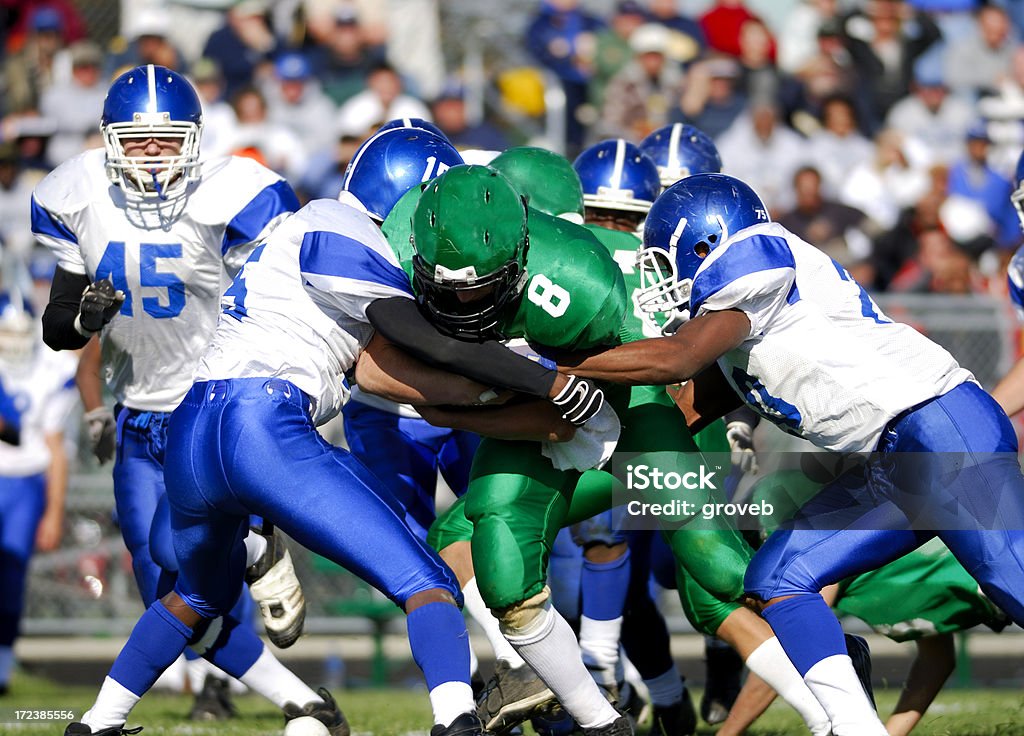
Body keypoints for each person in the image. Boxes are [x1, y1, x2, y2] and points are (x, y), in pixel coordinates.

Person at [61, 165, 606, 735]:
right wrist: (546, 383)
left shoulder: (302, 242)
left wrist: (488, 391)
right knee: (427, 581)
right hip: (263, 428)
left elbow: (375, 370)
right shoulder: (340, 224)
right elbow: (427, 342)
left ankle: (98, 723)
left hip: (194, 429)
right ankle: (458, 720)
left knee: (198, 596)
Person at [555, 171, 1024, 735]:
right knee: (780, 575)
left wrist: (555, 371)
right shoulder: (741, 334)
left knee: (1014, 583)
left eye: (665, 259)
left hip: (944, 430)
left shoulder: (753, 259)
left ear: (705, 243)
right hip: (896, 460)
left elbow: (676, 360)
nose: (663, 276)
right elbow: (677, 417)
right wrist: (573, 461)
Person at [410, 164, 834, 736]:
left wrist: (506, 388)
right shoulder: (582, 259)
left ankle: (581, 675)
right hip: (638, 410)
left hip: (642, 407)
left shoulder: (580, 279)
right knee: (689, 580)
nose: (614, 229)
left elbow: (664, 370)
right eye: (609, 217)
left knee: (687, 580)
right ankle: (618, 700)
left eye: (626, 219)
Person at [31, 65, 338, 728]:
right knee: (158, 584)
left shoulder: (229, 194)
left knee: (184, 564)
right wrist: (85, 319)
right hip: (137, 409)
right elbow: (58, 326)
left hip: (207, 409)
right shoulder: (77, 194)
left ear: (194, 139)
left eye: (166, 140)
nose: (151, 154)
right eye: (137, 140)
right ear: (109, 139)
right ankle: (300, 699)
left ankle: (249, 561)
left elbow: (276, 297)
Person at [0, 291, 78, 694]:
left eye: (19, 332)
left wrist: (53, 510)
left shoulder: (51, 368)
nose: (12, 341)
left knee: (11, 581)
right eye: (5, 332)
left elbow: (55, 447)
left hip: (26, 481)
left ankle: (2, 669)